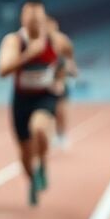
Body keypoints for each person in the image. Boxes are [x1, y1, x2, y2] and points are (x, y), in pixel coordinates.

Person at [0, 0, 70, 206]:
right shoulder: (13, 41)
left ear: (43, 19)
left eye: (38, 17)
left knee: (39, 128)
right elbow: (2, 70)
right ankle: (32, 180)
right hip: (21, 100)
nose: (35, 21)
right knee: (25, 155)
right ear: (23, 19)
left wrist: (59, 80)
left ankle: (43, 165)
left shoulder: (55, 40)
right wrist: (29, 54)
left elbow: (65, 61)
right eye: (30, 17)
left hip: (45, 96)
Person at [46, 16, 77, 149]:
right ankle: (49, 134)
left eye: (50, 25)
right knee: (46, 111)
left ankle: (62, 135)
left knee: (60, 111)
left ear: (55, 26)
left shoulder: (63, 41)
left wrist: (72, 70)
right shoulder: (39, 42)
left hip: (61, 81)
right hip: (45, 82)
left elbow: (70, 59)